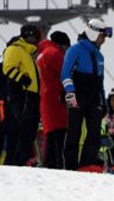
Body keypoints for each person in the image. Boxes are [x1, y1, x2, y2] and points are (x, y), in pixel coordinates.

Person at [62, 18, 110, 171]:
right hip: (78, 95)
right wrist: (70, 93)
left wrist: (104, 103)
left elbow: (100, 83)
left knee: (95, 132)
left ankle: (86, 164)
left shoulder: (100, 56)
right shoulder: (75, 50)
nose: (104, 41)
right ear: (93, 33)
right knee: (74, 132)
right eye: (102, 37)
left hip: (93, 97)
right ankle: (70, 166)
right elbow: (65, 74)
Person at [3, 24, 42, 166]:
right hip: (21, 94)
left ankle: (24, 158)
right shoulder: (15, 49)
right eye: (35, 38)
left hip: (32, 95)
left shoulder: (28, 54)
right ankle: (17, 159)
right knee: (22, 127)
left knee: (30, 129)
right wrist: (22, 79)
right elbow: (7, 68)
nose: (36, 42)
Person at [37, 31, 70, 169]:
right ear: (62, 45)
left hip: (45, 97)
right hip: (56, 97)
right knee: (59, 132)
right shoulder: (55, 54)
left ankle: (48, 162)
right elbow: (66, 74)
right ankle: (56, 164)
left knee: (50, 132)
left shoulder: (42, 53)